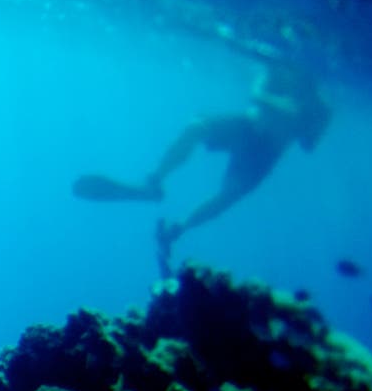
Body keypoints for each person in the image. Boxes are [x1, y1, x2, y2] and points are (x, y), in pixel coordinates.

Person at [74, 34, 331, 273]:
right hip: (246, 126)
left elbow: (308, 145)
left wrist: (310, 123)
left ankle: (178, 228)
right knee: (196, 127)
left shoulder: (321, 106)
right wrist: (293, 112)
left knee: (229, 194)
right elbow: (256, 95)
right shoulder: (276, 70)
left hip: (267, 151)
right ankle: (153, 183)